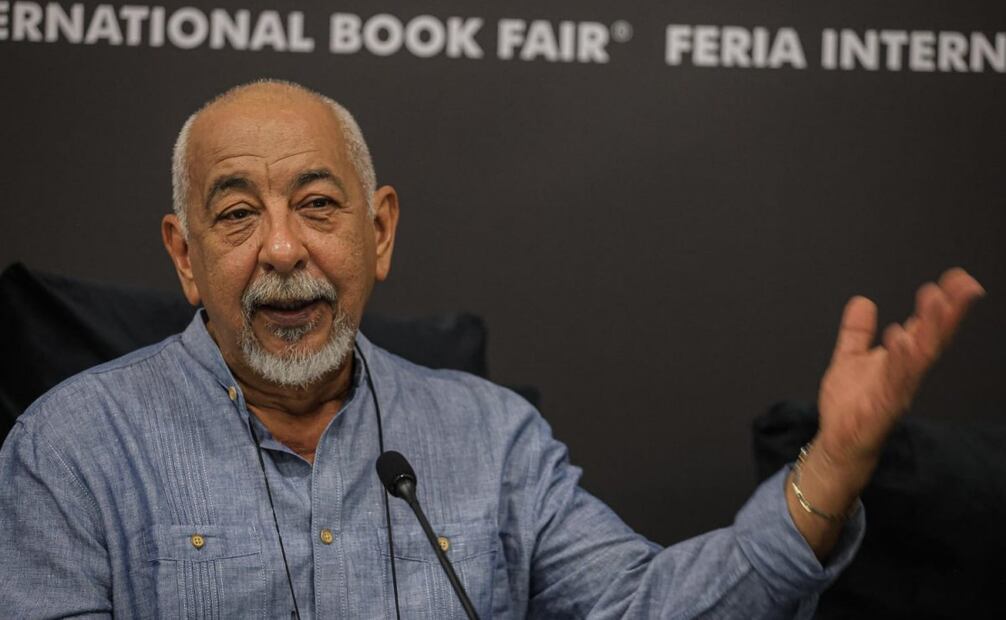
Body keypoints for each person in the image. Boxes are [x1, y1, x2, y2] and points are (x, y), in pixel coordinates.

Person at [0, 80, 985, 619]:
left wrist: (835, 463)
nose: (284, 248)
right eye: (235, 214)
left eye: (316, 204)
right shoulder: (72, 446)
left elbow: (642, 607)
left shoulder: (488, 434)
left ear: (378, 232)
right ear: (185, 254)